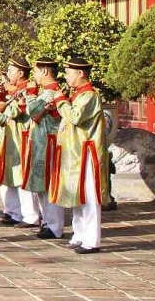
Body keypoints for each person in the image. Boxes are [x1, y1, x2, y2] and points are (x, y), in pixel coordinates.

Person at [50, 58, 108, 253]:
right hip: (74, 152)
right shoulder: (77, 95)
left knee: (90, 197)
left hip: (86, 153)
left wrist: (60, 101)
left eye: (69, 73)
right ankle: (79, 234)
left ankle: (92, 240)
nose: (66, 77)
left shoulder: (90, 96)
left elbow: (75, 116)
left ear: (81, 73)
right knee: (77, 195)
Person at [0, 58, 41, 228]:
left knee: (22, 177)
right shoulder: (12, 91)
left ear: (21, 73)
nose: (8, 75)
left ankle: (31, 215)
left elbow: (11, 111)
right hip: (7, 138)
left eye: (11, 71)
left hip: (21, 137)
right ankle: (13, 211)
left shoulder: (28, 89)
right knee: (7, 176)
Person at [25, 58, 66, 240]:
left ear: (44, 71)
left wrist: (31, 94)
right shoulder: (46, 93)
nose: (34, 76)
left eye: (36, 71)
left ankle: (55, 226)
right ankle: (48, 222)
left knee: (50, 185)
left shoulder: (51, 93)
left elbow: (33, 111)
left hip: (50, 142)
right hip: (41, 142)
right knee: (42, 186)